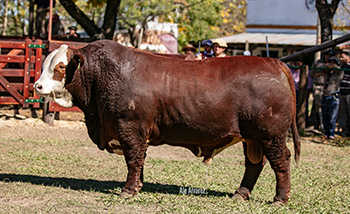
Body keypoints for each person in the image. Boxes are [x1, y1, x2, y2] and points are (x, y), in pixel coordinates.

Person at [309, 49, 336, 130]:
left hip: (330, 88)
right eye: (327, 55)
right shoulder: (318, 62)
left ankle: (328, 126)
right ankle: (321, 125)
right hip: (318, 86)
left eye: (330, 55)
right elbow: (311, 73)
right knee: (319, 107)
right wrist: (319, 74)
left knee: (329, 108)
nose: (328, 57)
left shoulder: (334, 63)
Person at [322, 56, 344, 139]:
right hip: (325, 95)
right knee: (325, 116)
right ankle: (326, 132)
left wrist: (331, 64)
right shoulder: (328, 73)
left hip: (333, 96)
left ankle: (331, 134)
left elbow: (336, 67)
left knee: (332, 117)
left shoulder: (339, 72)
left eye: (332, 62)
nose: (330, 64)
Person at [290, 58, 313, 124]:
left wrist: (307, 93)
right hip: (292, 92)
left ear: (301, 63)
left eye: (298, 64)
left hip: (302, 92)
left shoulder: (306, 71)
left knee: (303, 107)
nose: (296, 65)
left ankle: (304, 123)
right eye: (295, 64)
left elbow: (309, 83)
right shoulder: (291, 71)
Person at [338, 51, 350, 136]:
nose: (340, 59)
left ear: (348, 57)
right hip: (342, 93)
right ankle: (345, 131)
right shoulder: (341, 67)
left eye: (342, 57)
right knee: (343, 113)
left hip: (349, 93)